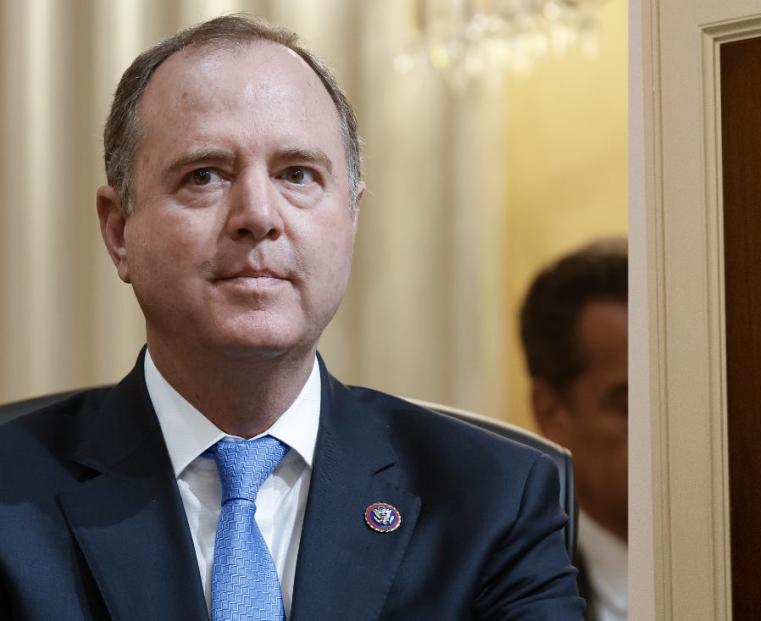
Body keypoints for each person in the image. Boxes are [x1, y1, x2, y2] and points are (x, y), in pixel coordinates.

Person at [0, 15, 582, 620]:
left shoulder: (492, 499)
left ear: (351, 220)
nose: (257, 214)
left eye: (297, 175)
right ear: (119, 231)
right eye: (204, 175)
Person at [520, 239, 628, 621]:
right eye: (627, 404)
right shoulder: (507, 576)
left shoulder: (750, 565)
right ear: (551, 412)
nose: (662, 435)